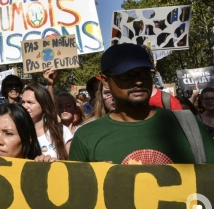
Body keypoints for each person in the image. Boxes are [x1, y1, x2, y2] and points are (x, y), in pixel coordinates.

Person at [69, 43, 214, 164]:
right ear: (106, 81)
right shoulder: (86, 137)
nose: (138, 81)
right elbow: (79, 194)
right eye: (127, 75)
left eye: (144, 73)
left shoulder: (188, 125)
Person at [21, 83, 71, 159]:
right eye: (23, 102)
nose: (25, 106)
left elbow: (73, 162)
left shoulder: (61, 131)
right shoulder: (18, 132)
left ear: (43, 105)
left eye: (30, 102)